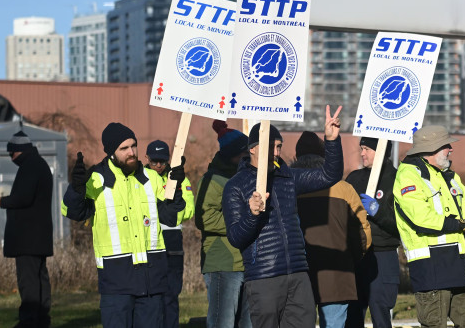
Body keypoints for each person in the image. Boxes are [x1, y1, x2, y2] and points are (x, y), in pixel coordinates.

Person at [223, 107, 344, 328]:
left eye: (278, 147)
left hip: (298, 274)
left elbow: (330, 175)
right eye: (270, 147)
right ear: (253, 149)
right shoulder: (235, 187)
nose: (276, 153)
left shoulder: (287, 177)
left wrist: (332, 141)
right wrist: (251, 215)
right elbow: (235, 238)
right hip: (263, 278)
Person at [61, 122, 186, 328]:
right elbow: (72, 212)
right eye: (124, 148)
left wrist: (176, 188)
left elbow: (171, 217)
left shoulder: (151, 178)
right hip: (116, 283)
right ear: (111, 152)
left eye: (133, 146)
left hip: (152, 283)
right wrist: (76, 189)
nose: (131, 152)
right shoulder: (96, 179)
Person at [394, 125, 465, 328]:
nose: (451, 149)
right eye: (446, 146)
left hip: (461, 264)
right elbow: (421, 217)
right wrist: (460, 224)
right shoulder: (409, 175)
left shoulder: (451, 177)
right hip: (431, 267)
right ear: (432, 149)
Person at [293, 131, 371, 328]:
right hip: (338, 271)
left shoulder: (287, 185)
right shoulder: (343, 188)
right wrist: (354, 258)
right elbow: (362, 231)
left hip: (299, 271)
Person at [196, 120, 253, 328]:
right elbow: (205, 217)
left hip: (246, 262)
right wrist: (242, 224)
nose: (249, 157)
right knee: (223, 322)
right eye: (244, 154)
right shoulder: (212, 180)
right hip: (222, 262)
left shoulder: (245, 178)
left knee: (247, 323)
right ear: (232, 155)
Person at [344, 136, 402, 328]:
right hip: (357, 255)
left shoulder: (397, 179)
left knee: (381, 313)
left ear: (382, 150)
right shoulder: (354, 178)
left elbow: (401, 225)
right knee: (352, 315)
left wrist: (378, 212)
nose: (362, 154)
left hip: (383, 255)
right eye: (361, 148)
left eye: (367, 149)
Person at [0, 129, 53, 328]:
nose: (11, 157)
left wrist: (1, 201)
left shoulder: (30, 167)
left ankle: (29, 322)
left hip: (27, 239)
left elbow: (22, 198)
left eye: (11, 153)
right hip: (38, 238)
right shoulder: (39, 165)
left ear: (19, 150)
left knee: (28, 282)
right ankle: (41, 320)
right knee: (40, 280)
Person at [144, 140, 195, 328]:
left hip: (172, 242)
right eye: (154, 161)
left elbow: (189, 211)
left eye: (162, 162)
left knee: (171, 296)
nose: (158, 166)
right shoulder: (139, 178)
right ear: (147, 158)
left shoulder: (179, 178)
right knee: (149, 299)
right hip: (148, 243)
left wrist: (169, 214)